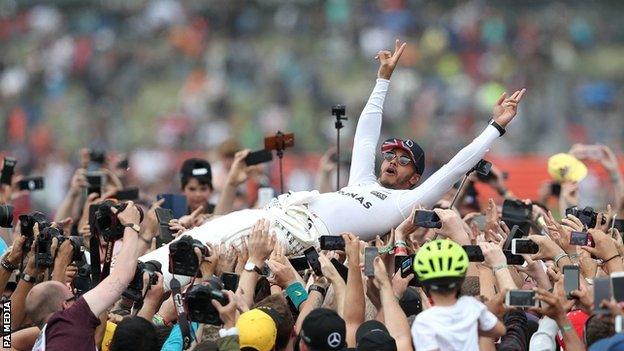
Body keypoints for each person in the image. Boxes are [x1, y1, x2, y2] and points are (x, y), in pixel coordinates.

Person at [140, 39, 526, 289]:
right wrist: (383, 79)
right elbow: (364, 136)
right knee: (185, 244)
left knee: (195, 258)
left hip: (291, 237)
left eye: (404, 161)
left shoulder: (402, 204)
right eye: (390, 154)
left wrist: (495, 127)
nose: (391, 160)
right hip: (271, 215)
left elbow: (456, 168)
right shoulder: (362, 181)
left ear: (415, 180)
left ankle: (149, 288)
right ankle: (136, 275)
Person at [26, 202, 143, 350]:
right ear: (65, 305)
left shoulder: (43, 341)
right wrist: (131, 225)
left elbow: (5, 340)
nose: (78, 301)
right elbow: (122, 276)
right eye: (75, 299)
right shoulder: (69, 320)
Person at [411, 239, 506, 350]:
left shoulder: (423, 321)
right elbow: (501, 330)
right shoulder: (473, 306)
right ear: (462, 280)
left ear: (423, 283)